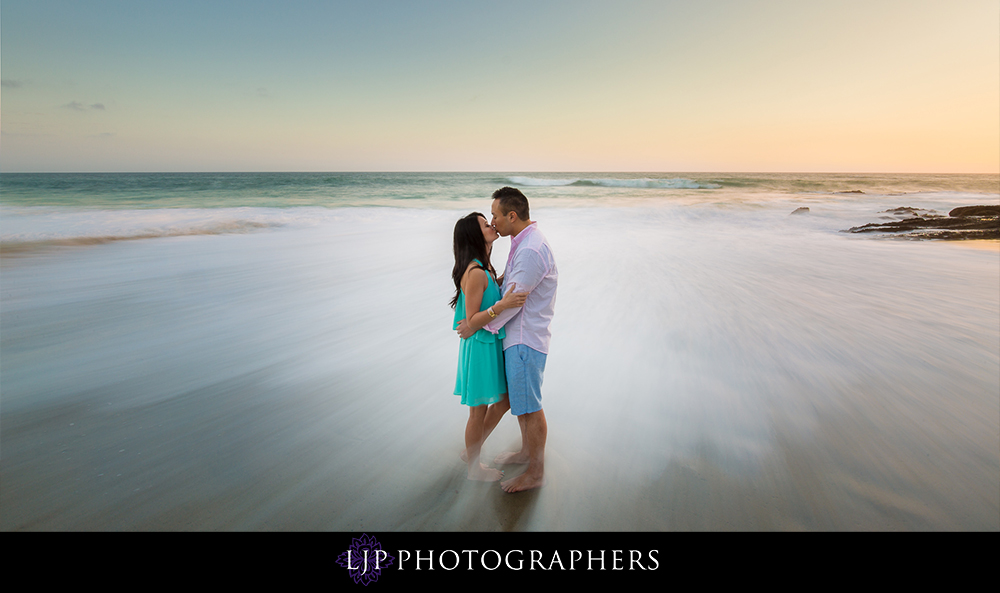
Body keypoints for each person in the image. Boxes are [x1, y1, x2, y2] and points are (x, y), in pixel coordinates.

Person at [457, 187, 557, 493]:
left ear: (511, 216)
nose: (493, 221)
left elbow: (515, 301)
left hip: (523, 338)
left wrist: (477, 326)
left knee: (528, 406)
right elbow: (506, 293)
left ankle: (535, 472)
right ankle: (526, 453)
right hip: (512, 337)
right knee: (517, 403)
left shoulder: (528, 250)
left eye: (495, 215)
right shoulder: (521, 243)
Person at [451, 212, 528, 482]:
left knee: (504, 400)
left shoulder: (485, 269)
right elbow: (471, 320)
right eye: (485, 224)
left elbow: (483, 300)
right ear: (475, 235)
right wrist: (503, 306)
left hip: (488, 345)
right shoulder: (474, 273)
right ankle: (474, 468)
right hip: (480, 349)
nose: (491, 225)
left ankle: (470, 450)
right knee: (478, 410)